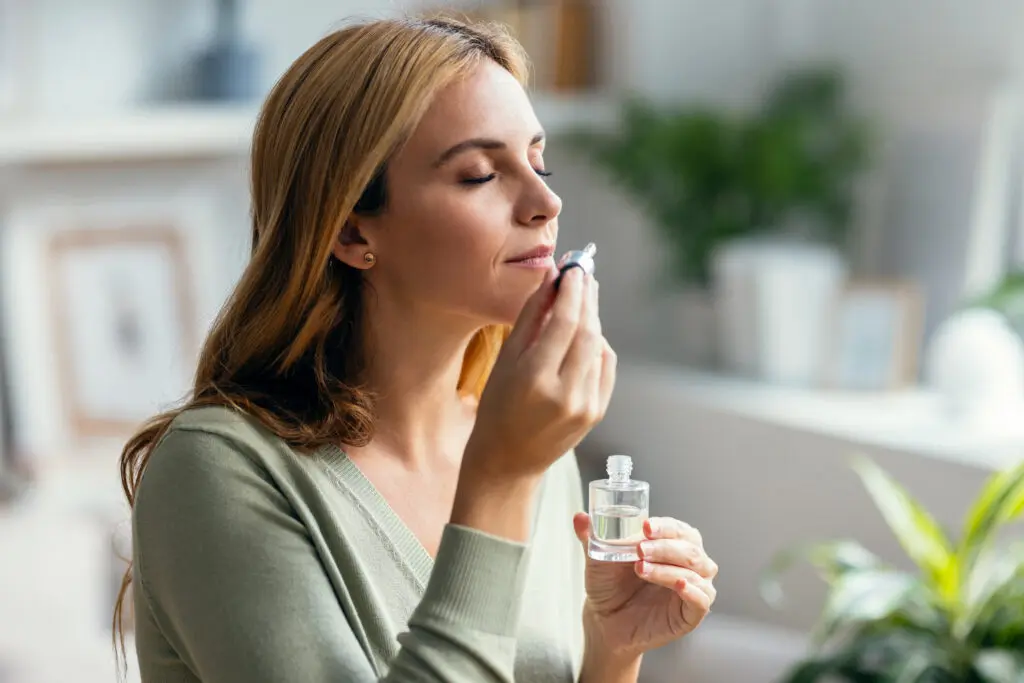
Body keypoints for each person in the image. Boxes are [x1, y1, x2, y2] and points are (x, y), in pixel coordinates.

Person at [114, 15, 717, 683]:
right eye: (480, 174)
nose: (546, 200)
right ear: (349, 231)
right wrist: (499, 478)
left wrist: (612, 650)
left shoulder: (540, 458)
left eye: (539, 162)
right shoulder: (218, 471)